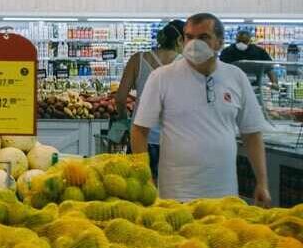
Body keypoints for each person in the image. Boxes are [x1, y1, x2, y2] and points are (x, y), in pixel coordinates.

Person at [132, 12, 272, 206]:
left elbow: (252, 133)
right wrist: (145, 177)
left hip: (224, 195)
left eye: (203, 37)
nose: (194, 43)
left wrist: (262, 182)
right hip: (176, 196)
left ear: (219, 43)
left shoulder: (236, 77)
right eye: (189, 37)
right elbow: (139, 130)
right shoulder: (161, 77)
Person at [113, 19, 185, 175]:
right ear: (180, 40)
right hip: (173, 140)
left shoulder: (137, 59)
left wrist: (124, 119)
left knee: (139, 185)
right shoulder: (185, 65)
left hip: (140, 137)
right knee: (169, 188)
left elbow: (120, 98)